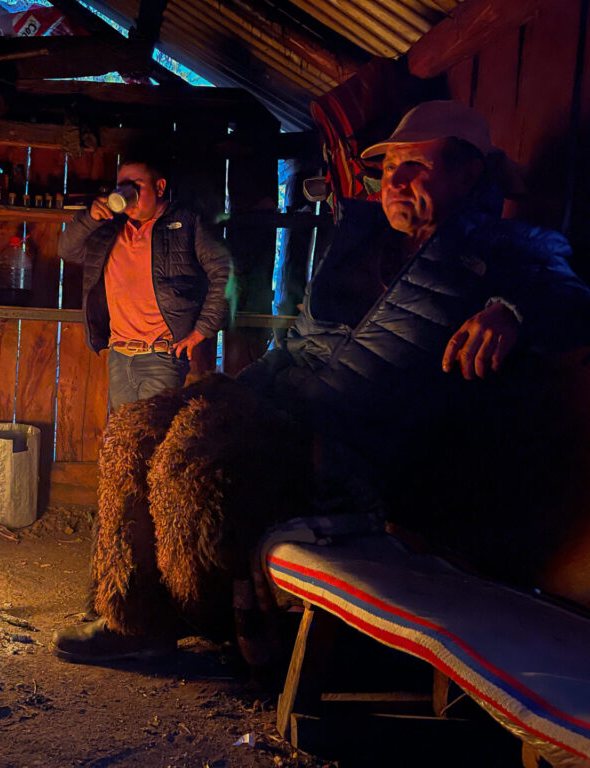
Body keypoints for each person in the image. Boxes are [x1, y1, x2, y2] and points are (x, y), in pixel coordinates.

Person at [51, 100, 590, 664]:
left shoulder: (507, 249)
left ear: (469, 172)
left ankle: (197, 619)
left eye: (417, 168)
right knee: (137, 429)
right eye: (390, 169)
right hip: (287, 406)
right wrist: (238, 387)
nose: (395, 183)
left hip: (356, 447)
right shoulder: (360, 241)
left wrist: (512, 311)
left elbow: (574, 299)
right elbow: (297, 342)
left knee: (193, 459)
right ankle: (129, 613)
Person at [58, 152, 231, 410]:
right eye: (122, 188)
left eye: (135, 187)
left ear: (159, 187)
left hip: (162, 355)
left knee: (151, 439)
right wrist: (89, 218)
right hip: (119, 355)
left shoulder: (187, 223)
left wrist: (200, 332)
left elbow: (225, 274)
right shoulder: (108, 229)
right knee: (124, 443)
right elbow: (66, 250)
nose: (127, 195)